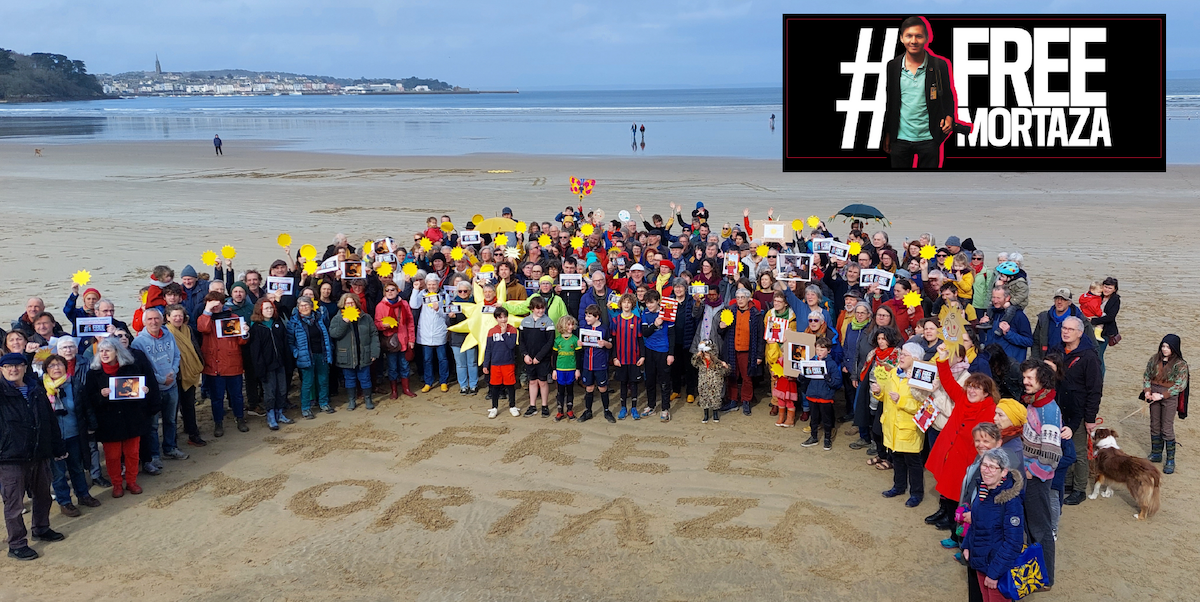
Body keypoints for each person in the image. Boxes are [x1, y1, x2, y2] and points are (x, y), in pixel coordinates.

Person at [0, 352, 68, 560]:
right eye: (8, 367)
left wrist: (57, 447)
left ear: (24, 367)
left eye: (18, 366)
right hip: (9, 457)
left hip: (39, 453)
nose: (13, 370)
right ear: (1, 370)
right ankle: (17, 544)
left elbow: (50, 421)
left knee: (43, 495)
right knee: (14, 504)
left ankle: (41, 527)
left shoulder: (36, 390)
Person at [924, 344, 998, 531]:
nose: (972, 391)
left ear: (986, 393)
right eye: (970, 387)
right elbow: (948, 381)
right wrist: (941, 358)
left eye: (977, 389)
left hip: (965, 456)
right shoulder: (963, 397)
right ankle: (944, 512)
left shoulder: (991, 411)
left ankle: (952, 519)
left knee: (957, 491)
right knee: (945, 486)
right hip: (950, 449)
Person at [881, 16, 959, 169]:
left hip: (930, 138)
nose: (913, 41)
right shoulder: (893, 66)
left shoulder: (939, 65)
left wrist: (950, 117)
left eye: (919, 36)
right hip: (900, 139)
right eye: (909, 36)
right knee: (900, 187)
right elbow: (891, 103)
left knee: (928, 187)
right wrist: (888, 133)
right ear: (901, 38)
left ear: (927, 38)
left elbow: (948, 96)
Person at [84, 337, 152, 498]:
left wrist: (144, 391)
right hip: (109, 422)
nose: (104, 354)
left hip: (131, 419)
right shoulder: (93, 373)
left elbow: (139, 394)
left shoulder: (131, 368)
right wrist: (101, 395)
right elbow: (88, 399)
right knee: (112, 456)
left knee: (132, 453)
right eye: (101, 351)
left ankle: (131, 481)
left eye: (108, 350)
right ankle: (116, 484)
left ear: (117, 352)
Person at [41, 353, 102, 518]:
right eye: (52, 365)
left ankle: (83, 495)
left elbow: (86, 407)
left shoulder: (74, 383)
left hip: (74, 434)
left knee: (77, 467)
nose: (56, 368)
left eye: (59, 364)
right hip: (54, 439)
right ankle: (65, 502)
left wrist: (91, 425)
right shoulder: (41, 388)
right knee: (58, 473)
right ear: (46, 369)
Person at [1019, 359, 1062, 590]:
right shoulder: (1035, 403)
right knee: (1030, 526)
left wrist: (1032, 472)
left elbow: (1053, 453)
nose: (1025, 382)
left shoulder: (1048, 410)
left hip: (1037, 479)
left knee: (1040, 529)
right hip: (1029, 476)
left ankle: (1045, 578)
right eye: (1024, 377)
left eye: (1029, 378)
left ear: (1042, 380)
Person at [962, 448, 1026, 602]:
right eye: (984, 465)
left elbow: (1013, 543)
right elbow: (976, 522)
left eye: (992, 467)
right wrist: (967, 545)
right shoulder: (983, 490)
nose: (986, 471)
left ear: (1003, 472)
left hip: (999, 569)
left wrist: (994, 573)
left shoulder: (1011, 502)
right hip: (981, 561)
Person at [131, 307, 186, 474]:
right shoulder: (139, 342)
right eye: (150, 319)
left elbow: (177, 355)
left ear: (162, 319)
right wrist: (161, 379)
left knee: (171, 420)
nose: (154, 322)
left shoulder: (169, 334)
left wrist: (174, 372)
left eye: (156, 318)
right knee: (153, 424)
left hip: (172, 385)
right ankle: (154, 455)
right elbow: (143, 368)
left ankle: (170, 447)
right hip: (153, 389)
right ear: (144, 322)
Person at [872, 342, 926, 507]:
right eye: (901, 354)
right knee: (897, 459)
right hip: (892, 427)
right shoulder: (894, 373)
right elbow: (886, 397)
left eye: (905, 355)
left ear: (915, 359)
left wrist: (900, 400)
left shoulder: (921, 377)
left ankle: (916, 493)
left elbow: (922, 406)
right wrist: (879, 392)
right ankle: (899, 486)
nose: (900, 357)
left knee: (913, 464)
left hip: (908, 429)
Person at [1058, 316, 1102, 506]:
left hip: (1079, 409)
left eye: (1070, 329)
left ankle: (1079, 488)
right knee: (1063, 446)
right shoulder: (1058, 350)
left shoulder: (1089, 357)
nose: (1065, 331)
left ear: (1080, 333)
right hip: (1060, 407)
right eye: (1063, 328)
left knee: (1079, 451)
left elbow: (1095, 389)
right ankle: (1067, 482)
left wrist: (1090, 417)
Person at [197, 291, 249, 437]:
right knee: (217, 398)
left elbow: (242, 341)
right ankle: (218, 422)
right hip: (214, 365)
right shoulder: (204, 318)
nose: (215, 306)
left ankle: (240, 419)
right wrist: (207, 311)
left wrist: (245, 333)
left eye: (217, 302)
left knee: (237, 395)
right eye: (212, 302)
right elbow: (203, 328)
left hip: (233, 363)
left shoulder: (233, 318)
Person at [1144, 334, 1188, 474]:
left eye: (1168, 347)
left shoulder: (1180, 364)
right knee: (1154, 425)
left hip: (1169, 397)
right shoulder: (1154, 359)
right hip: (1153, 394)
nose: (1164, 349)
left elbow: (1180, 385)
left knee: (1167, 428)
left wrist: (1162, 395)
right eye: (1163, 346)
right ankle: (1156, 453)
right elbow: (1147, 375)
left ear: (1174, 348)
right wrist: (1147, 391)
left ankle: (1170, 460)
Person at [328, 293, 380, 411]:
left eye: (352, 302)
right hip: (346, 355)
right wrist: (344, 322)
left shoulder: (366, 317)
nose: (350, 305)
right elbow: (334, 334)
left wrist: (374, 352)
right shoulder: (337, 318)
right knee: (349, 379)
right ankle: (352, 400)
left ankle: (368, 399)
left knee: (365, 378)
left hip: (363, 353)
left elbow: (374, 335)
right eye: (347, 303)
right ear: (343, 305)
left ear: (356, 303)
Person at [163, 305, 206, 447]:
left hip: (189, 373)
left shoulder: (188, 330)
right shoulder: (165, 332)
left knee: (189, 405)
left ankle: (193, 433)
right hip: (174, 374)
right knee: (172, 409)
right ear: (167, 318)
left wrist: (200, 363)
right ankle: (171, 439)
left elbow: (194, 348)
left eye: (180, 315)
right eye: (174, 316)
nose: (178, 318)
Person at [718, 288, 764, 416]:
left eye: (742, 297)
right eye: (737, 298)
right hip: (732, 349)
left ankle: (746, 401)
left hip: (748, 352)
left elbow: (760, 336)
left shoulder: (756, 314)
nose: (740, 300)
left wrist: (759, 355)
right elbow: (721, 332)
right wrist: (721, 327)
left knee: (747, 377)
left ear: (749, 298)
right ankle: (732, 400)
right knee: (731, 375)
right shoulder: (729, 312)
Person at [288, 296, 333, 418]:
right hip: (305, 356)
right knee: (307, 383)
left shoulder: (320, 318)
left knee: (323, 380)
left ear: (311, 306)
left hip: (321, 354)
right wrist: (296, 353)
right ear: (297, 308)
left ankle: (324, 403)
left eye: (306, 305)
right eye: (301, 306)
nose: (304, 308)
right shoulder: (294, 322)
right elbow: (290, 342)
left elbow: (326, 334)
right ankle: (306, 408)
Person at [248, 298, 290, 428]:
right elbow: (255, 351)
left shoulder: (278, 323)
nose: (269, 311)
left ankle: (279, 412)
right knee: (270, 392)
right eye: (266, 308)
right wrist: (260, 368)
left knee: (282, 390)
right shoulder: (256, 327)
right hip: (267, 366)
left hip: (280, 363)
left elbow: (285, 343)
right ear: (260, 310)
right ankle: (271, 415)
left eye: (271, 308)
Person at [376, 280, 417, 399]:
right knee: (392, 367)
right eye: (387, 290)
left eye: (392, 290)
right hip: (391, 343)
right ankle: (394, 390)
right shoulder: (380, 306)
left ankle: (406, 389)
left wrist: (411, 340)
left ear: (397, 291)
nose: (390, 292)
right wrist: (385, 325)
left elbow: (410, 323)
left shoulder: (404, 304)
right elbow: (377, 323)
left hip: (404, 340)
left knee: (405, 366)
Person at [640, 290, 675, 421]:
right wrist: (655, 325)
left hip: (663, 350)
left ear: (658, 301)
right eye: (647, 303)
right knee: (649, 380)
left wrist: (671, 353)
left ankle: (665, 409)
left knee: (664, 381)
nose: (649, 306)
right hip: (649, 349)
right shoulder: (645, 313)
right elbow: (645, 332)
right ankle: (651, 406)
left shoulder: (667, 312)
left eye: (652, 303)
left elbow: (672, 334)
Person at [801, 336, 842, 448]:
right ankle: (813, 437)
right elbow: (804, 380)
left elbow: (837, 382)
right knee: (813, 419)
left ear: (828, 351)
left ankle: (827, 438)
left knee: (826, 419)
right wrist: (802, 376)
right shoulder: (811, 362)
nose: (819, 352)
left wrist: (829, 379)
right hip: (812, 395)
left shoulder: (832, 364)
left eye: (822, 349)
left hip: (825, 396)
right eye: (818, 349)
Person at [411, 274, 450, 392]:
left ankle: (444, 381)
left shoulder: (444, 295)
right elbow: (413, 305)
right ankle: (428, 382)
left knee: (442, 358)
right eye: (429, 284)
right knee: (427, 359)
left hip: (439, 331)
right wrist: (415, 289)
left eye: (434, 284)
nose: (432, 286)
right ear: (426, 284)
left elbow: (447, 313)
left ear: (438, 284)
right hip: (426, 332)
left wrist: (439, 309)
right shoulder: (422, 294)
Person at [1031, 287, 1094, 360]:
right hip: (1046, 362)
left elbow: (1093, 346)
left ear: (1069, 302)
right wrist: (1037, 362)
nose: (1059, 302)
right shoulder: (1044, 318)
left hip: (1068, 362)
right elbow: (1036, 342)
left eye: (1063, 299)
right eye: (1057, 298)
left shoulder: (1081, 320)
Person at [578, 304, 615, 423]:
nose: (586, 319)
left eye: (589, 316)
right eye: (586, 316)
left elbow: (610, 345)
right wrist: (580, 343)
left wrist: (604, 343)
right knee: (589, 387)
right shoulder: (584, 327)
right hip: (587, 364)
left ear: (597, 317)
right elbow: (580, 343)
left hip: (600, 363)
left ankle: (606, 410)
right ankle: (588, 411)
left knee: (602, 387)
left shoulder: (604, 329)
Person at [520, 296, 556, 417]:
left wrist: (539, 357)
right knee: (532, 382)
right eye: (538, 309)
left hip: (542, 359)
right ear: (532, 309)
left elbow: (549, 342)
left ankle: (545, 406)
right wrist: (525, 355)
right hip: (529, 358)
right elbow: (521, 341)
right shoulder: (525, 322)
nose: (540, 311)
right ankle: (532, 406)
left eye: (542, 308)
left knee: (543, 382)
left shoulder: (549, 322)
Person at [611, 293, 644, 419]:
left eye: (629, 302)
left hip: (634, 358)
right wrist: (614, 357)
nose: (626, 304)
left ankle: (634, 408)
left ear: (632, 304)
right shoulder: (616, 320)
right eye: (624, 302)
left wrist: (642, 356)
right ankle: (623, 407)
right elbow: (613, 340)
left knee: (634, 383)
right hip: (621, 359)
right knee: (623, 383)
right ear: (620, 304)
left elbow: (641, 340)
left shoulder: (637, 320)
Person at [978, 287, 1032, 363]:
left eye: (998, 298)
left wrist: (1008, 333)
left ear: (1007, 298)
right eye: (993, 297)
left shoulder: (1019, 315)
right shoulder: (992, 313)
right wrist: (984, 327)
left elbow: (1029, 341)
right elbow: (991, 337)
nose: (995, 301)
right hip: (992, 361)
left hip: (1010, 364)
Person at [483, 307, 519, 418]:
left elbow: (511, 345)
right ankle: (494, 407)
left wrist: (504, 333)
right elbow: (488, 349)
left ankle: (512, 406)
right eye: (500, 317)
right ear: (496, 318)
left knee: (510, 385)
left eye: (505, 317)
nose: (503, 320)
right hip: (495, 363)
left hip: (508, 362)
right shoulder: (491, 331)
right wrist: (485, 364)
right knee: (495, 386)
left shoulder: (512, 330)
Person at [552, 315, 582, 421]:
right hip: (560, 370)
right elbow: (554, 356)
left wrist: (578, 370)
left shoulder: (575, 339)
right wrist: (554, 370)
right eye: (568, 324)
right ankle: (560, 412)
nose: (570, 326)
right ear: (562, 325)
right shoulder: (557, 340)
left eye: (572, 324)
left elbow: (578, 356)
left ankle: (570, 410)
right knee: (560, 391)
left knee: (570, 391)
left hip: (571, 369)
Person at [1090, 277, 1121, 377]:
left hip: (1105, 332)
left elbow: (1110, 317)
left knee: (1098, 355)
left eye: (1110, 288)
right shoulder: (1097, 294)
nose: (1107, 289)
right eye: (1105, 286)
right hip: (1091, 329)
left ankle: (1100, 378)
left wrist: (1094, 321)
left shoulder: (1115, 300)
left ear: (1115, 289)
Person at [694, 340, 730, 424]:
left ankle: (715, 414)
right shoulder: (701, 363)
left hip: (715, 385)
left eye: (708, 354)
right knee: (704, 398)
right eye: (705, 354)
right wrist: (697, 355)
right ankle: (705, 415)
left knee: (715, 399)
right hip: (703, 384)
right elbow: (694, 362)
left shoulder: (717, 364)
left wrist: (726, 366)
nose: (707, 356)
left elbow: (725, 372)